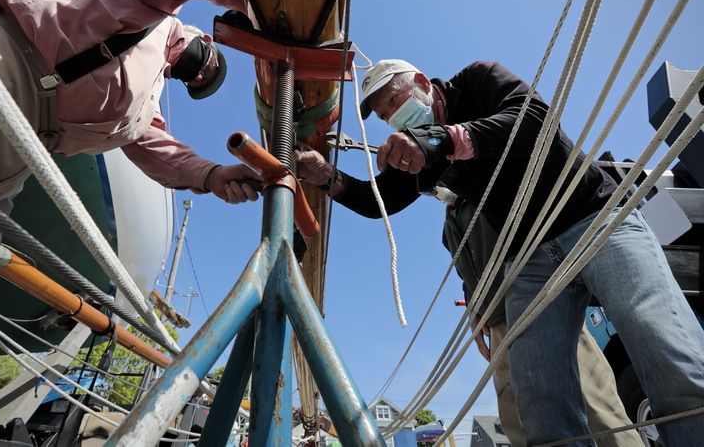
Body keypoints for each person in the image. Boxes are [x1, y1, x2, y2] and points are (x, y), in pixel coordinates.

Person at [0, 0, 261, 411]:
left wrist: (211, 175)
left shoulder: (144, 94)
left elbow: (149, 144)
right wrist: (261, 11)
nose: (197, 74)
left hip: (15, 152)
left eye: (199, 82)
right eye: (205, 65)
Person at [295, 59, 704, 446]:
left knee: (669, 356)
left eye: (394, 103)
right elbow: (376, 200)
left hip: (594, 217)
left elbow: (535, 119)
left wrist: (442, 139)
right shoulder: (425, 153)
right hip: (528, 259)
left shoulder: (477, 80)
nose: (392, 119)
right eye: (385, 117)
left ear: (422, 83)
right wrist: (327, 176)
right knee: (541, 408)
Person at [443, 194, 642, 447]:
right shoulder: (450, 219)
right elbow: (467, 273)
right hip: (498, 326)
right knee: (517, 423)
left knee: (595, 410)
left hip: (544, 309)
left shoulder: (486, 184)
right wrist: (474, 311)